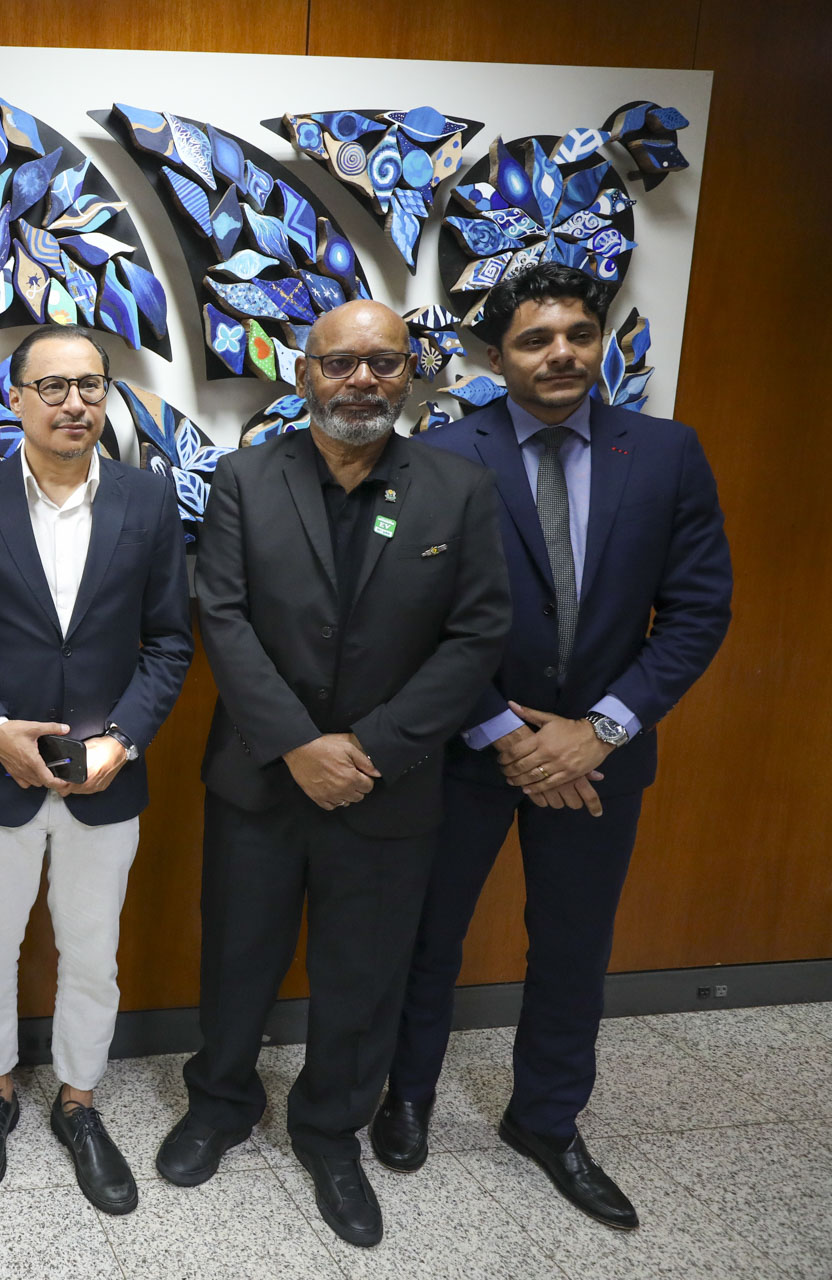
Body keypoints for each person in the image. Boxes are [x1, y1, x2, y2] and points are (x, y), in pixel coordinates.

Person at [372, 263, 732, 1229]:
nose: (562, 353)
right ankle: (406, 1097)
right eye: (535, 339)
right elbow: (413, 617)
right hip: (464, 748)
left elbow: (698, 612)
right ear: (497, 359)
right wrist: (505, 731)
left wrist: (599, 730)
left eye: (578, 333)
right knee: (428, 939)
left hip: (601, 760)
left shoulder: (666, 454)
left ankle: (547, 1119)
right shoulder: (440, 456)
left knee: (574, 947)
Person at [157, 300, 510, 1247]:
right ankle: (221, 1102)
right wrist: (298, 745)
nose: (363, 381)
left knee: (364, 972)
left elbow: (477, 634)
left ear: (409, 375)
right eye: (341, 363)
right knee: (238, 957)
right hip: (261, 776)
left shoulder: (459, 490)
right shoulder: (243, 479)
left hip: (387, 784)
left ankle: (329, 1130)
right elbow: (221, 616)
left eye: (384, 363)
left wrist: (373, 749)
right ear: (304, 373)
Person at [0, 325, 192, 1213]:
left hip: (105, 778)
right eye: (52, 386)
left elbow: (170, 642)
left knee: (92, 951)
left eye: (89, 386)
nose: (74, 403)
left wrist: (124, 740)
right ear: (16, 399)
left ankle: (79, 1102)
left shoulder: (149, 501)